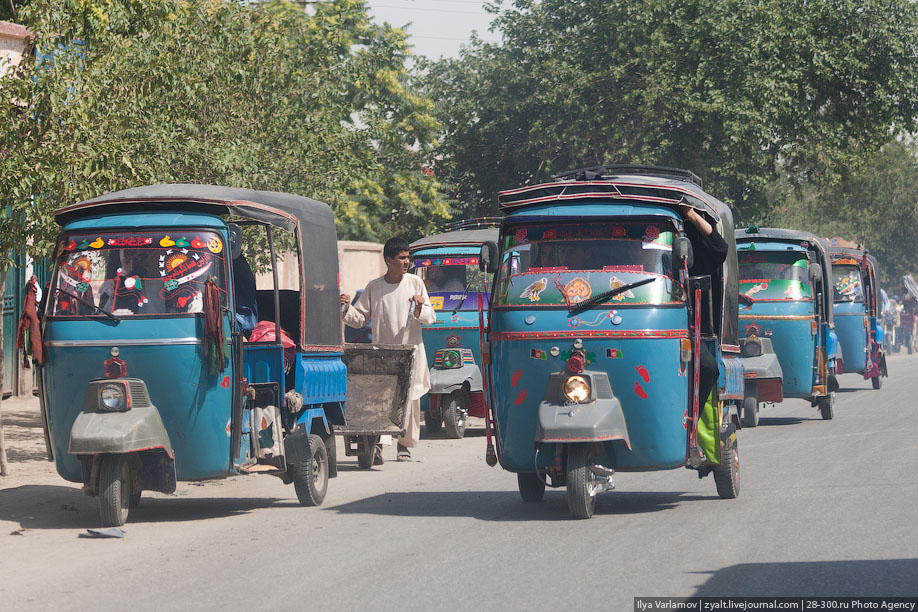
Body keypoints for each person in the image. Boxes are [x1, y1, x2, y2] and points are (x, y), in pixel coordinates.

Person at [341, 237, 436, 462]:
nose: (406, 262)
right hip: (384, 354)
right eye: (401, 258)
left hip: (411, 353)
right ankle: (380, 445)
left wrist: (420, 306)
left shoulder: (415, 283)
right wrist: (345, 307)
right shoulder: (375, 287)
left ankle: (404, 445)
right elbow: (359, 319)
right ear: (388, 260)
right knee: (383, 400)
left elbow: (430, 318)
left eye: (407, 257)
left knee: (410, 400)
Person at [680, 205, 728, 456]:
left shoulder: (681, 241)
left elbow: (719, 249)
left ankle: (691, 426)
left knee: (707, 367)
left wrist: (689, 214)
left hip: (677, 326)